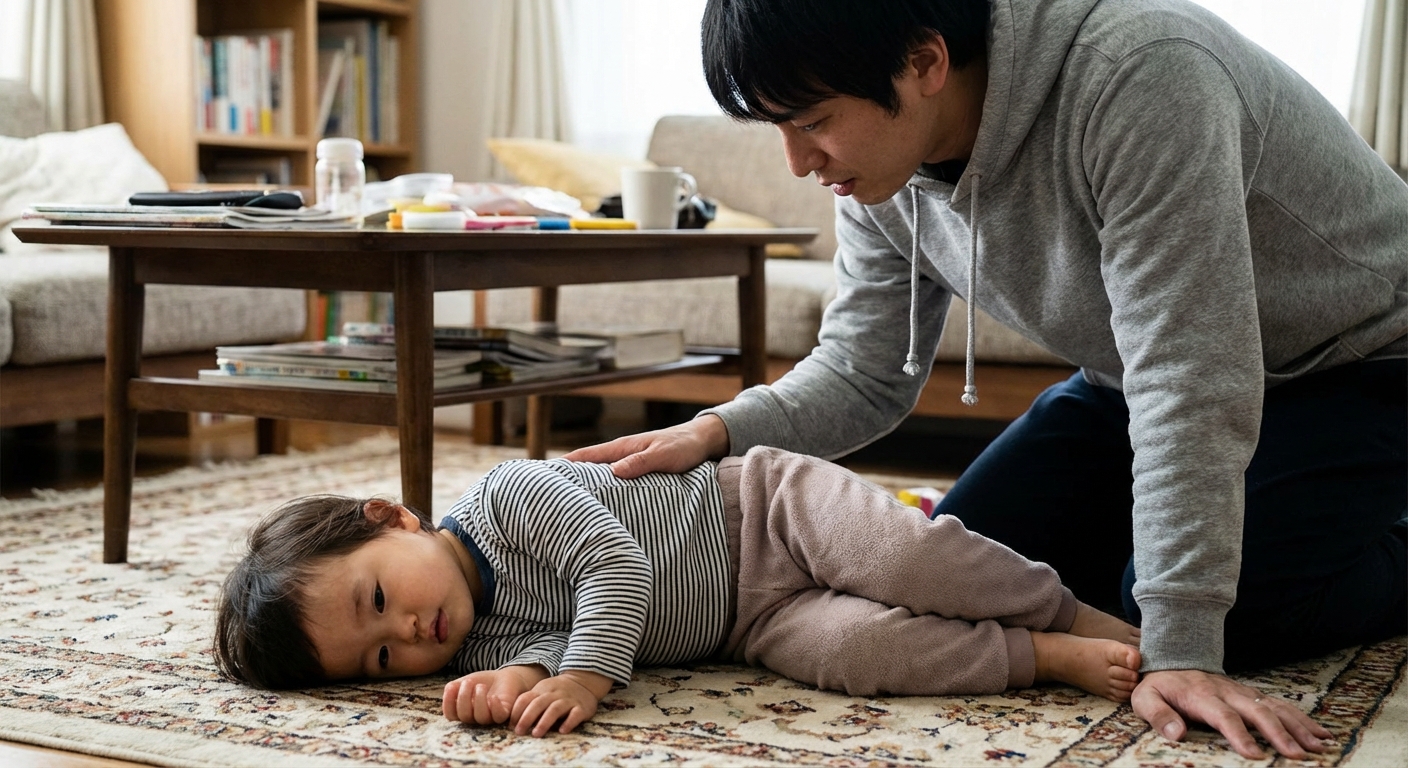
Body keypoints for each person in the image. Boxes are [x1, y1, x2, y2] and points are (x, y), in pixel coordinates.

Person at [563, 0, 1407, 761]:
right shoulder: (874, 171)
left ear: (926, 63)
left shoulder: (1145, 74)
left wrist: (1185, 643)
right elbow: (864, 370)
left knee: (1210, 614)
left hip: (1363, 358)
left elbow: (1190, 378)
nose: (797, 162)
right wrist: (715, 432)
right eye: (777, 129)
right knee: (971, 572)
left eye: (813, 121)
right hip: (1127, 379)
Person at [214, 448, 1142, 737]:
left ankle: (1081, 615)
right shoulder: (468, 637)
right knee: (855, 655)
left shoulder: (507, 497)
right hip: (750, 621)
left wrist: (580, 680)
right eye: (382, 657)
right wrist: (514, 684)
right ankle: (1040, 655)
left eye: (380, 601)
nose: (411, 633)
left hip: (762, 513)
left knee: (907, 561)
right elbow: (533, 652)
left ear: (395, 517)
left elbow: (614, 568)